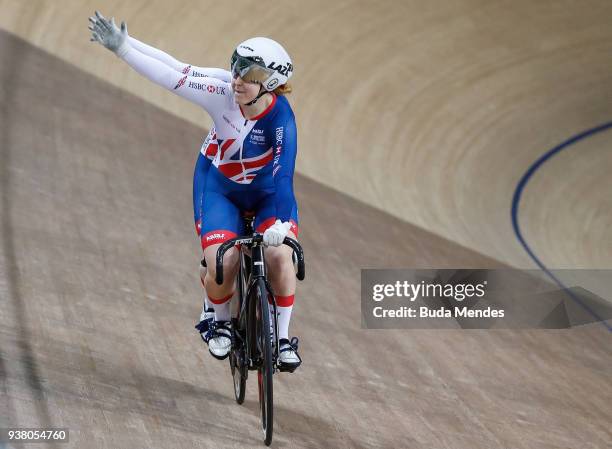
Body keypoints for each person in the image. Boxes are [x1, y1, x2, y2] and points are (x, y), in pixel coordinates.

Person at [89, 12, 302, 369]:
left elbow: (283, 178)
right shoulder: (221, 91)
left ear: (271, 83)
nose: (237, 80)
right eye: (236, 68)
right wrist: (124, 47)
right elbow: (174, 71)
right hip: (219, 186)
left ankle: (281, 339)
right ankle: (218, 320)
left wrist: (280, 225)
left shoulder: (282, 119)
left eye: (248, 75)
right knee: (225, 260)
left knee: (282, 257)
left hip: (267, 195)